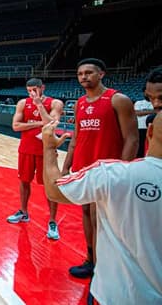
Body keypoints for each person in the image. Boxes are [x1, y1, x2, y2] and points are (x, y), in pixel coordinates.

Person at [41, 115, 162, 304]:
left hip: (116, 296)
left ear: (150, 131)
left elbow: (55, 191)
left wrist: (49, 147)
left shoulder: (113, 174)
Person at [61, 58, 138, 279]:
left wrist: (123, 171)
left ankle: (106, 264)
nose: (83, 77)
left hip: (108, 169)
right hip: (84, 168)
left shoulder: (118, 99)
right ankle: (91, 259)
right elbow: (76, 137)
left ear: (101, 74)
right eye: (80, 74)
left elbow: (131, 139)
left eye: (88, 73)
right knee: (87, 212)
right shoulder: (79, 103)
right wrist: (67, 166)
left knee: (102, 217)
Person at [7, 78, 64, 240]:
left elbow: (51, 124)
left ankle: (52, 221)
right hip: (26, 149)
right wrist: (39, 123)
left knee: (49, 186)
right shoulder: (23, 103)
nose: (32, 93)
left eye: (35, 90)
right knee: (24, 181)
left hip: (46, 151)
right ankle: (24, 212)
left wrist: (39, 105)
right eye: (29, 90)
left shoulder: (55, 103)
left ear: (42, 88)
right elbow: (16, 126)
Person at [134, 86, 154, 158]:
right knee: (140, 148)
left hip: (152, 128)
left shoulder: (155, 102)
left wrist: (143, 112)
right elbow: (137, 113)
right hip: (140, 128)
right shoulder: (139, 103)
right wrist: (152, 111)